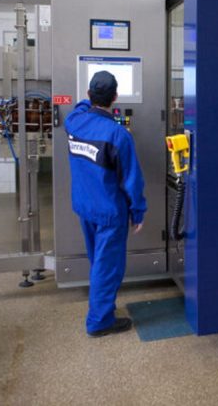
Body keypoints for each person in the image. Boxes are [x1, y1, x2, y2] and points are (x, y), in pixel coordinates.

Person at [65, 71, 147, 337]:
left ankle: (104, 307)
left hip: (85, 206)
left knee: (98, 260)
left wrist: (88, 100)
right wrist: (138, 211)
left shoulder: (73, 121)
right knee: (107, 266)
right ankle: (100, 321)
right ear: (115, 97)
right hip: (109, 212)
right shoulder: (118, 135)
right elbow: (132, 180)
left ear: (89, 95)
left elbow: (80, 107)